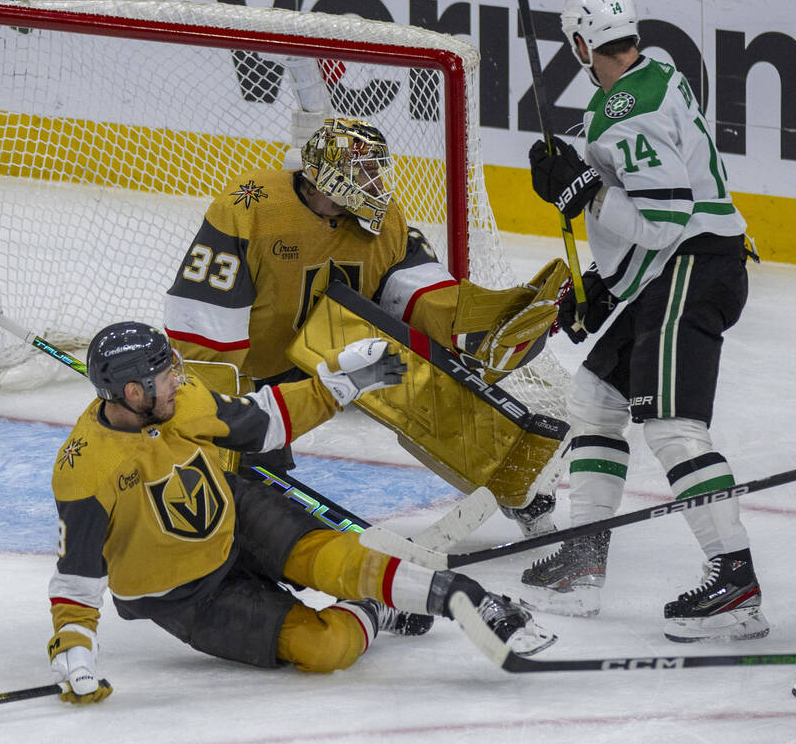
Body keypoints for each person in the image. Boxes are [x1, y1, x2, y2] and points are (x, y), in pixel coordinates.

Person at [47, 322, 553, 703]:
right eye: (165, 375)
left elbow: (261, 422)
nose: (178, 380)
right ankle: (381, 607)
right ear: (132, 393)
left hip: (237, 516)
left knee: (342, 560)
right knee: (325, 650)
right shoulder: (85, 469)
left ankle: (468, 600)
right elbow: (78, 574)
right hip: (184, 598)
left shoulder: (184, 401)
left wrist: (334, 386)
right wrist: (73, 644)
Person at [163, 115, 567, 537]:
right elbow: (203, 321)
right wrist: (210, 415)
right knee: (249, 491)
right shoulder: (250, 208)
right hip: (254, 368)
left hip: (341, 343)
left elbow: (413, 286)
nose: (375, 182)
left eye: (377, 169)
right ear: (328, 176)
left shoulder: (383, 217)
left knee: (434, 385)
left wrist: (473, 328)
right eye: (363, 170)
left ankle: (519, 489)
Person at [520, 0, 766, 642]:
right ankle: (583, 561)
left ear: (579, 44)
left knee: (673, 425)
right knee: (597, 398)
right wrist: (606, 281)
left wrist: (583, 192)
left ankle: (735, 581)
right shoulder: (660, 76)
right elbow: (650, 221)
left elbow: (664, 220)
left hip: (692, 266)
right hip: (675, 269)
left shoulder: (623, 111)